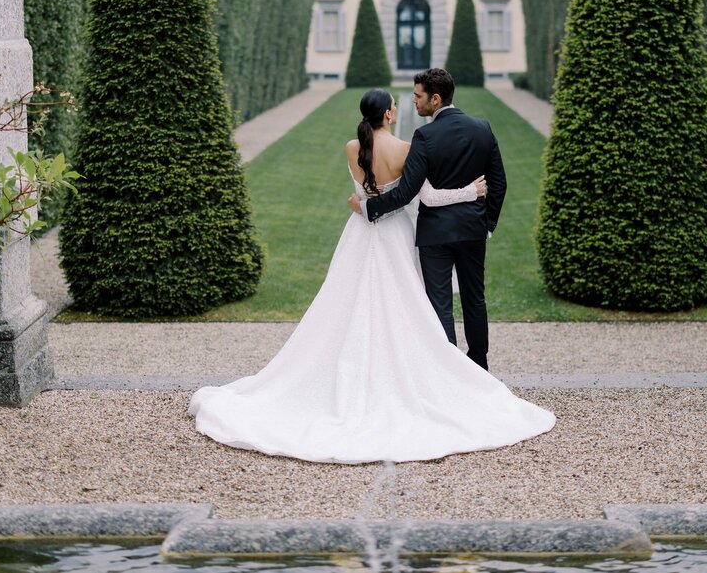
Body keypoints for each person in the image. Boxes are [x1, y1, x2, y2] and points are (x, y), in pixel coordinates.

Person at [187, 88, 553, 464]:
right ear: (389, 115)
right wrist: (469, 191)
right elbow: (425, 197)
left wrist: (363, 205)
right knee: (407, 302)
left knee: (347, 298)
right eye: (396, 105)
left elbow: (364, 192)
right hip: (393, 233)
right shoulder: (405, 149)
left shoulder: (352, 147)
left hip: (359, 232)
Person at [351, 68, 504, 371]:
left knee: (440, 304)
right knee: (475, 299)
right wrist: (487, 224)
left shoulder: (425, 136)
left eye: (418, 96)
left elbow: (406, 193)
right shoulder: (482, 128)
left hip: (435, 234)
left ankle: (448, 370)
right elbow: (499, 183)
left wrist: (368, 207)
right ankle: (479, 366)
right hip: (473, 230)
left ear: (435, 99)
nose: (414, 101)